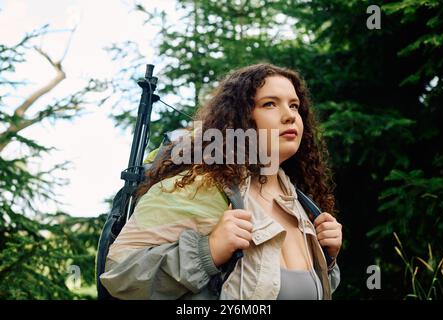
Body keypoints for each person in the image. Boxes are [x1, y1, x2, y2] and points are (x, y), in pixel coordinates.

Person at [100, 63, 342, 300]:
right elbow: (119, 275)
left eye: (294, 106)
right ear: (240, 118)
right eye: (270, 104)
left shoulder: (302, 206)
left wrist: (327, 262)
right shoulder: (201, 186)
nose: (290, 116)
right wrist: (208, 251)